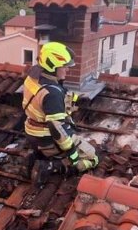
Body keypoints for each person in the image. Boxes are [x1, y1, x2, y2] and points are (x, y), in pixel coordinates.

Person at [22, 41, 98, 183]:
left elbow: (47, 97)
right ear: (53, 67)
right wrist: (71, 153)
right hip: (47, 138)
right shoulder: (52, 93)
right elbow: (57, 128)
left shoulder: (34, 76)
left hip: (32, 132)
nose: (67, 70)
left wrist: (76, 99)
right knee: (92, 158)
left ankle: (37, 157)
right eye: (64, 67)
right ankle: (52, 167)